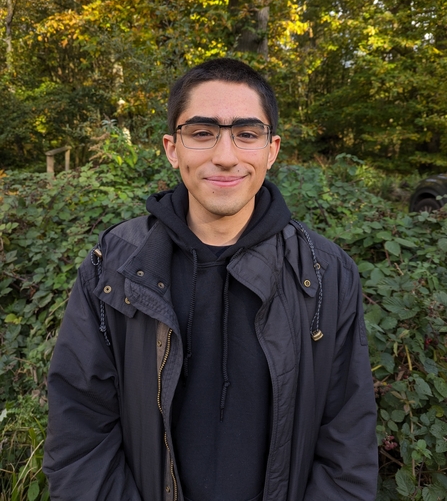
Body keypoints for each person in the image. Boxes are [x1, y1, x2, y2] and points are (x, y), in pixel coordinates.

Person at [43, 58, 378, 501]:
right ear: (172, 147)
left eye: (246, 134)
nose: (225, 156)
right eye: (202, 133)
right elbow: (79, 431)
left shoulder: (325, 273)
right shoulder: (115, 266)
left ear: (271, 149)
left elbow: (347, 441)